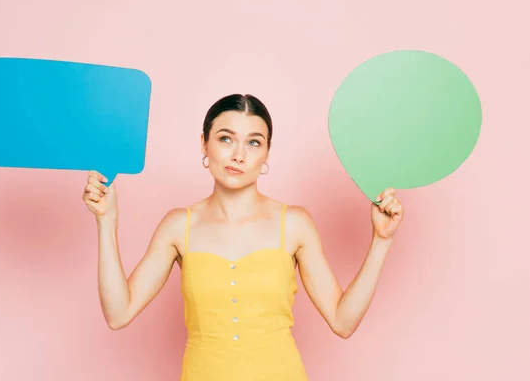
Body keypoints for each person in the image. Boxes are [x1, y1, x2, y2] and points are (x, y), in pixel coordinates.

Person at [82, 93, 404, 381]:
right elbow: (118, 312)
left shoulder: (294, 223)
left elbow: (342, 321)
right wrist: (106, 221)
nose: (238, 155)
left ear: (266, 153)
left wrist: (381, 240)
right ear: (204, 143)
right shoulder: (179, 225)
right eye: (225, 138)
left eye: (253, 142)